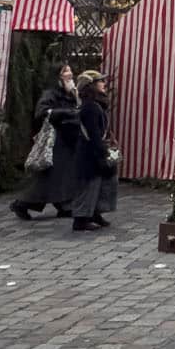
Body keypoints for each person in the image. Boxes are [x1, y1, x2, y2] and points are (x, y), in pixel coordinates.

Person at [12, 64, 83, 219]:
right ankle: (23, 203)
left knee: (61, 174)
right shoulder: (50, 93)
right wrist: (65, 113)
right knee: (51, 175)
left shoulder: (71, 93)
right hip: (55, 139)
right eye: (66, 71)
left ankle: (64, 205)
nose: (70, 73)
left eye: (70, 70)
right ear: (58, 76)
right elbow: (42, 112)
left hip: (67, 137)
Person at [67, 71, 119, 232]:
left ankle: (94, 212)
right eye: (100, 82)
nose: (104, 84)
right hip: (89, 153)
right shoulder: (90, 107)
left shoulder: (96, 105)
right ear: (91, 86)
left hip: (93, 150)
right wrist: (103, 152)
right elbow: (93, 134)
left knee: (100, 184)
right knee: (88, 186)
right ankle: (81, 219)